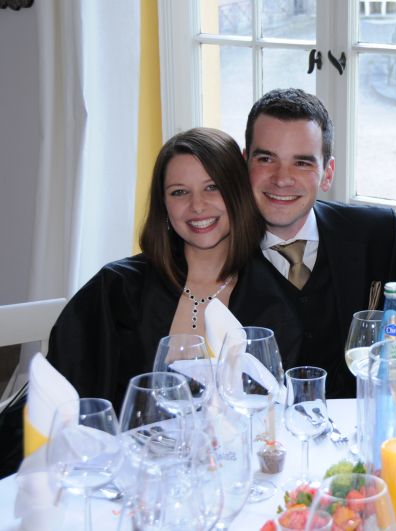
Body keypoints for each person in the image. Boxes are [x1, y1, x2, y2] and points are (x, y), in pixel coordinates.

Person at [48, 128, 298, 409]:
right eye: (179, 192)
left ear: (237, 193)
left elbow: (282, 410)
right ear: (164, 205)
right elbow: (61, 400)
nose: (197, 206)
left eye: (212, 187)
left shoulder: (274, 300)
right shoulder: (116, 289)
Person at [243, 88, 396, 398]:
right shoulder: (218, 252)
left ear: (327, 173)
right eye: (266, 159)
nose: (282, 179)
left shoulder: (377, 235)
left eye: (302, 163)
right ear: (245, 163)